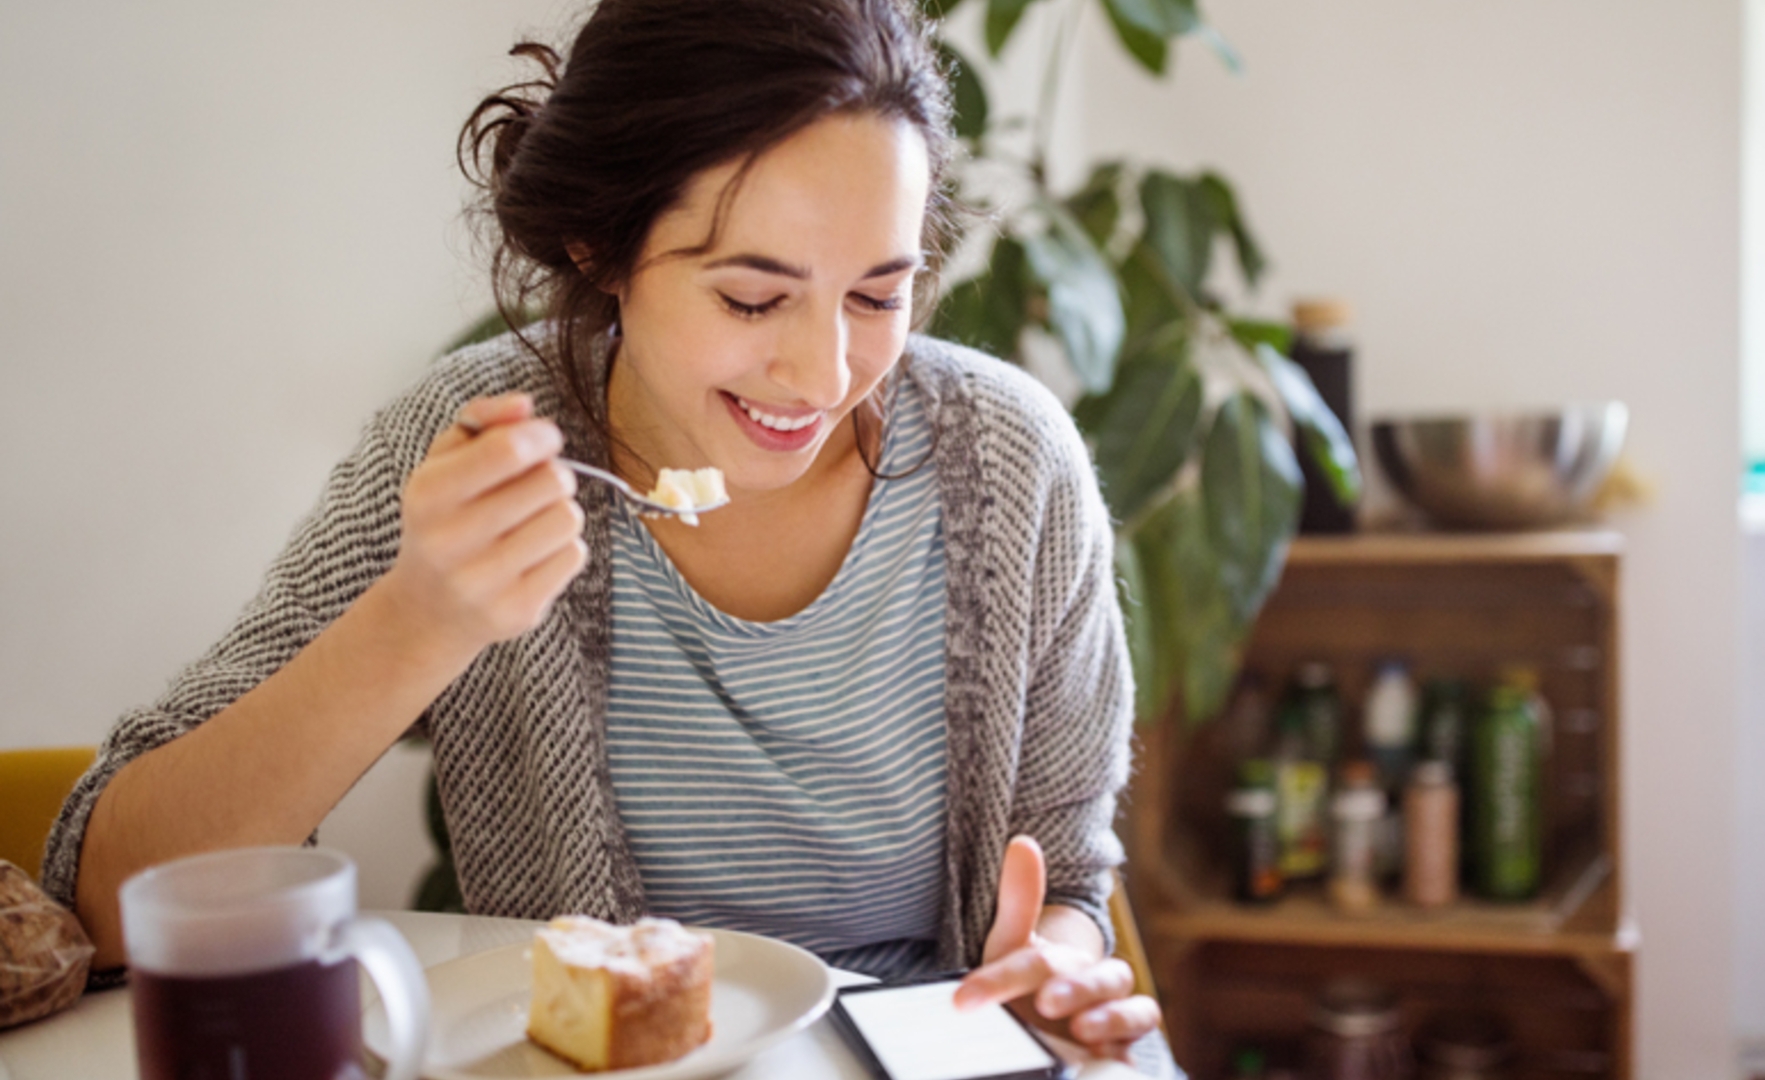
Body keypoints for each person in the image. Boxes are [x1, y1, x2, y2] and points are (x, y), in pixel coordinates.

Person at [43, 0, 1167, 1068]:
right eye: (751, 298)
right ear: (599, 246)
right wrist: (417, 623)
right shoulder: (470, 445)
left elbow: (1064, 882)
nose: (824, 375)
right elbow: (109, 899)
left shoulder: (1009, 464)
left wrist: (1047, 972)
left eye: (877, 296)